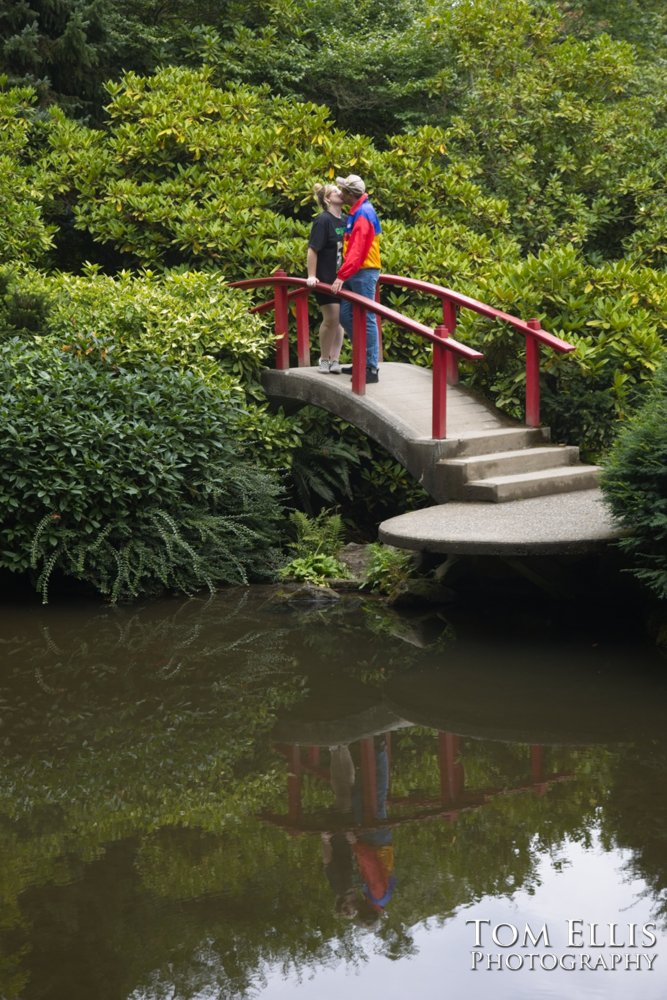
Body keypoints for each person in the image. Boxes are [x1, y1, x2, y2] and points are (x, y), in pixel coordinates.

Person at [330, 174, 382, 384]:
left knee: (367, 317)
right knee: (346, 316)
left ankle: (370, 367)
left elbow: (358, 250)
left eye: (343, 190)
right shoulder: (356, 211)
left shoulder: (363, 213)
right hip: (355, 271)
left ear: (350, 195)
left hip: (363, 271)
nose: (340, 193)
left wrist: (342, 275)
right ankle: (361, 360)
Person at [306, 183, 346, 374]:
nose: (341, 192)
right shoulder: (323, 220)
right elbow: (313, 249)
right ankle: (324, 358)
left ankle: (335, 359)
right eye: (336, 191)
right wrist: (312, 276)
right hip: (326, 278)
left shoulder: (346, 220)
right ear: (328, 199)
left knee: (340, 320)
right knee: (331, 318)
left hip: (343, 279)